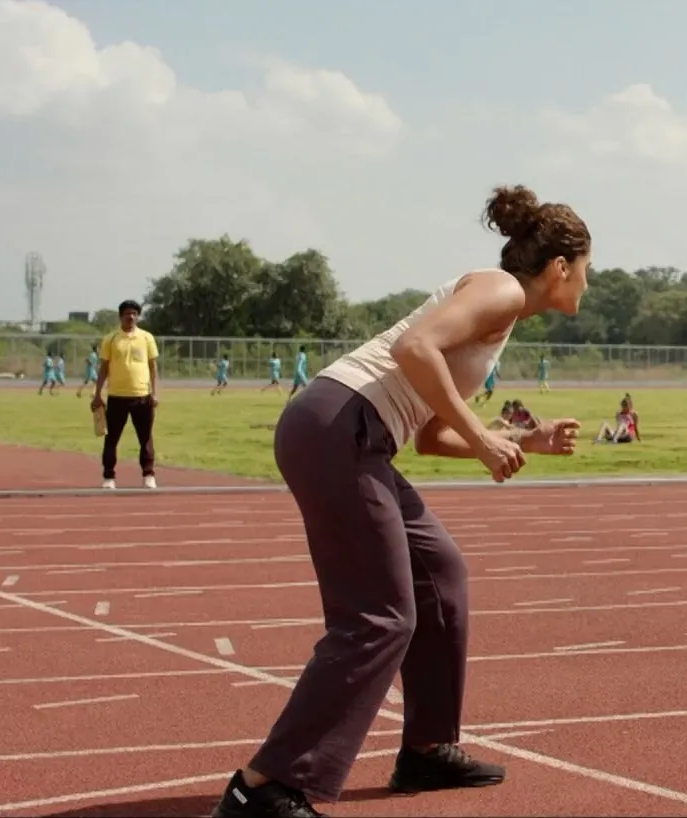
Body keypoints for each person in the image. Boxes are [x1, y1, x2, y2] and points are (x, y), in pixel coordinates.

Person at [211, 184, 589, 818]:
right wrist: (483, 437)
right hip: (340, 426)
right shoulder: (500, 290)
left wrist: (523, 439)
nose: (586, 283)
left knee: (439, 573)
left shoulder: (498, 316)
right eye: (586, 269)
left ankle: (427, 748)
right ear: (559, 268)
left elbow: (431, 436)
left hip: (349, 431)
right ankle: (263, 786)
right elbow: (414, 349)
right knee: (380, 617)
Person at [92, 300, 161, 490]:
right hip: (117, 396)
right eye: (127, 313)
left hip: (142, 395)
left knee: (145, 438)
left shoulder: (146, 338)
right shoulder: (111, 339)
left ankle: (148, 475)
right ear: (120, 316)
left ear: (138, 316)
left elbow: (152, 367)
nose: (130, 317)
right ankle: (109, 477)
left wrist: (154, 393)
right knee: (111, 438)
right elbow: (104, 368)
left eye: (134, 313)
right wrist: (97, 394)